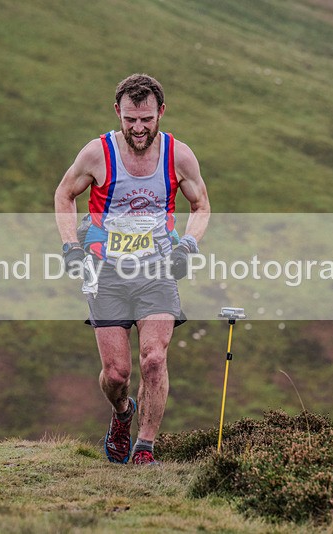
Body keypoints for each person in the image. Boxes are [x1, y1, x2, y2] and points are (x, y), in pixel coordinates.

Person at [54, 74, 210, 465]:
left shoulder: (178, 156)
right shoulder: (97, 153)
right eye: (129, 120)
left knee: (154, 358)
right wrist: (70, 245)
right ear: (117, 114)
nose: (138, 129)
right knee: (117, 373)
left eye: (146, 119)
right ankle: (123, 413)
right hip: (105, 271)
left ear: (161, 112)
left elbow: (201, 206)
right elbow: (64, 194)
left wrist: (188, 245)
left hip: (157, 269)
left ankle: (145, 448)